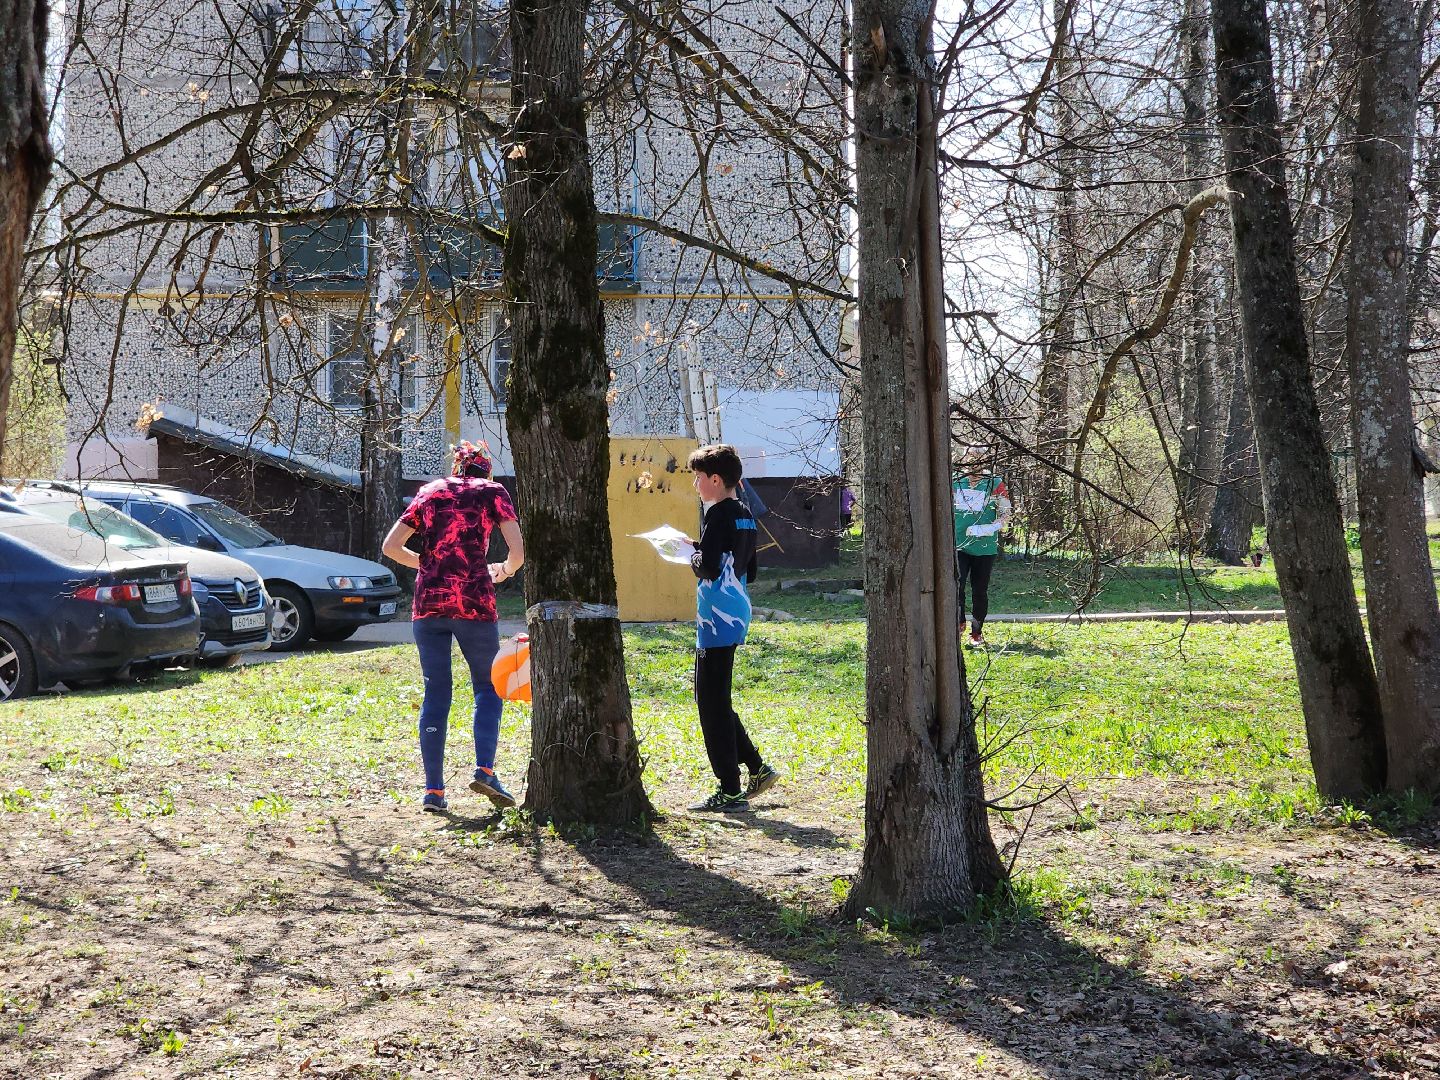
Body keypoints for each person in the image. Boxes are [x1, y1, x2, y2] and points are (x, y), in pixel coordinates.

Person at [382, 441, 525, 814]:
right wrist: (503, 570)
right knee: (488, 686)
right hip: (474, 602)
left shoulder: (428, 492)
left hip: (428, 604)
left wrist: (428, 567)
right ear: (486, 470)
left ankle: (434, 792)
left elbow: (391, 547)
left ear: (456, 466)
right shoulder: (493, 493)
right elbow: (518, 553)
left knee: (436, 692)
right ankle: (485, 770)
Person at [686, 443, 779, 812]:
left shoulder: (718, 513)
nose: (695, 485)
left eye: (697, 478)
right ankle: (757, 767)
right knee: (714, 699)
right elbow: (749, 570)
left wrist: (689, 554)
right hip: (736, 610)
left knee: (710, 702)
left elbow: (707, 566)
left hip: (716, 618)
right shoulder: (745, 513)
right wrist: (702, 549)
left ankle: (729, 788)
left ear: (715, 479)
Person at [952, 457, 1012, 648]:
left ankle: (976, 632)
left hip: (984, 547)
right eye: (970, 460)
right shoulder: (954, 481)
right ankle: (958, 622)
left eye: (978, 461)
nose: (973, 465)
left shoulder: (994, 483)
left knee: (979, 591)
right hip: (959, 544)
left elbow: (1006, 513)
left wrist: (988, 528)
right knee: (957, 586)